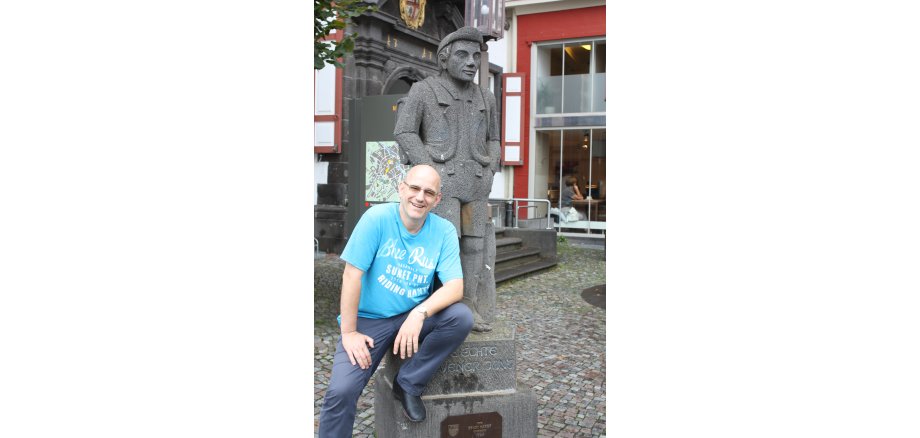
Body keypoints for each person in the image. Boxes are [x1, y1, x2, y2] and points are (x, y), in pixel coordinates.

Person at [318, 165, 473, 437]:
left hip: (410, 314)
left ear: (437, 200)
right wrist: (349, 332)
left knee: (460, 317)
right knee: (341, 392)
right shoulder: (376, 218)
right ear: (401, 189)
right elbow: (352, 275)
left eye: (428, 192)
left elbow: (455, 286)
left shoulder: (444, 230)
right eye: (414, 188)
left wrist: (419, 314)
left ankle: (409, 383)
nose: (419, 197)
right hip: (369, 320)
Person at [393, 26, 500, 332]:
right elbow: (404, 131)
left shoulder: (486, 97)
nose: (471, 62)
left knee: (475, 248)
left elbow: (494, 139)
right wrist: (429, 172)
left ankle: (468, 307)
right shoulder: (424, 91)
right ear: (444, 59)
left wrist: (491, 166)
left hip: (477, 183)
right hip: (443, 186)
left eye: (475, 56)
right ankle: (440, 308)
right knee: (445, 243)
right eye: (463, 55)